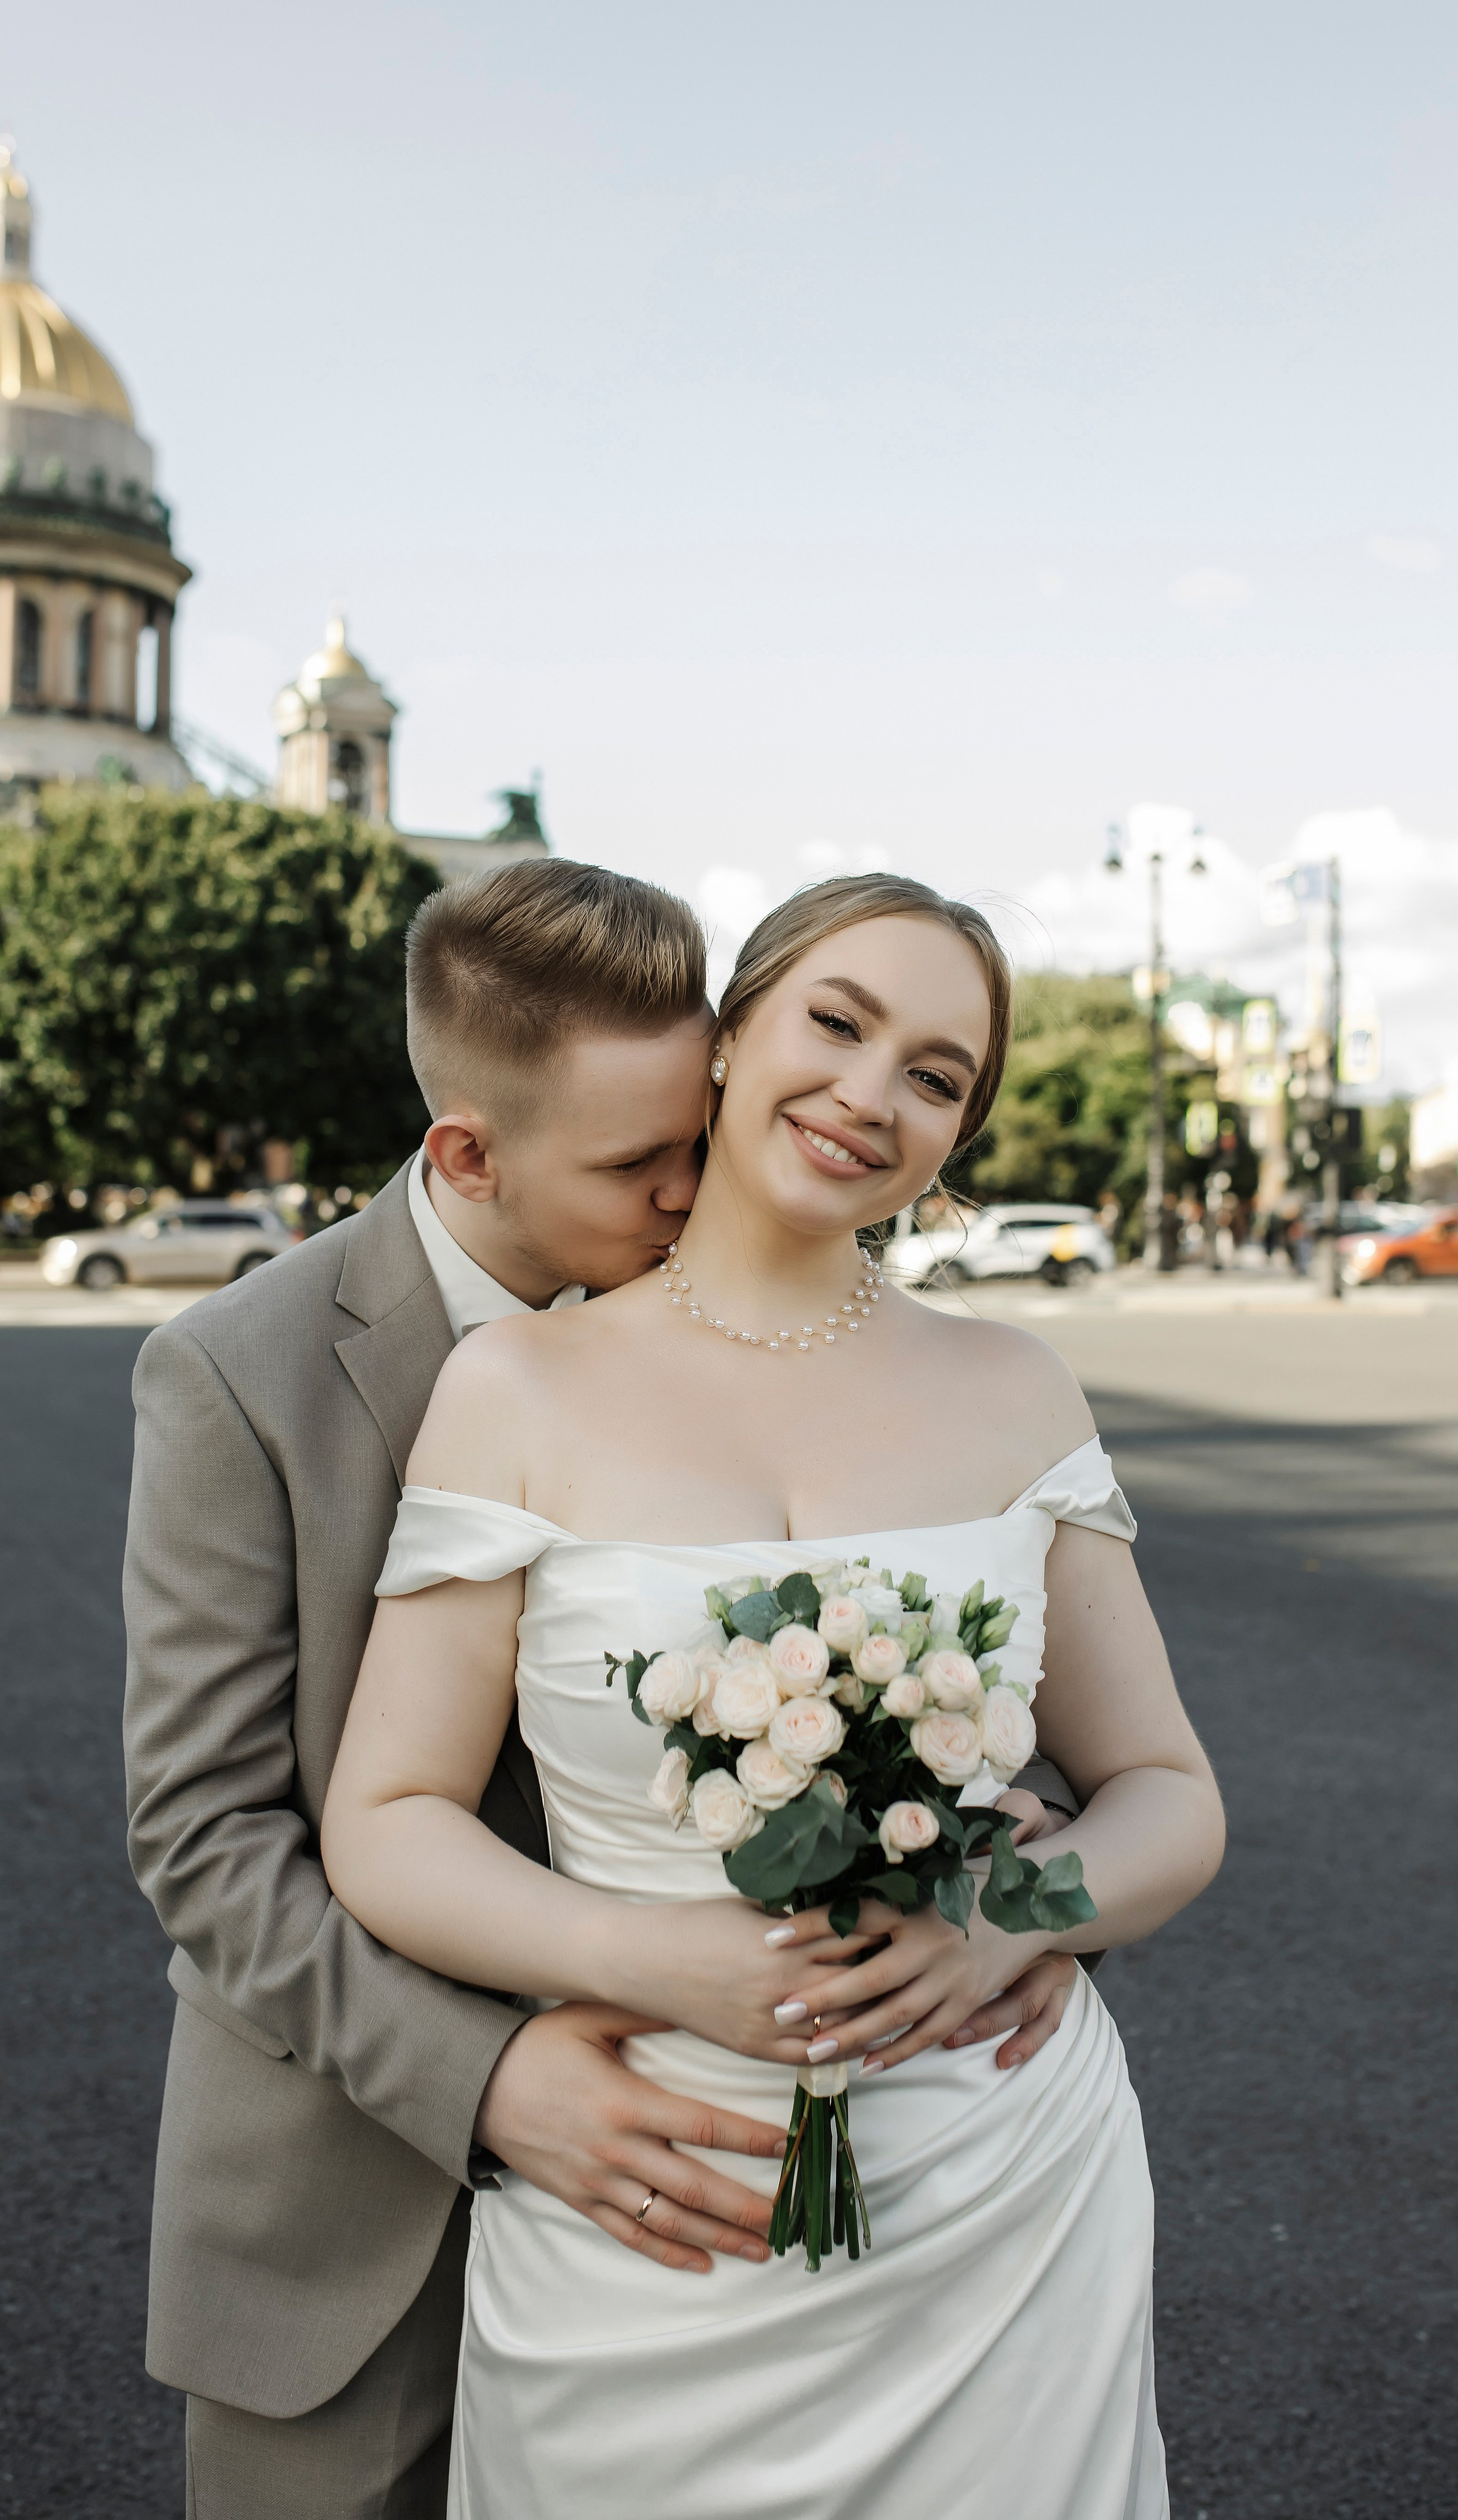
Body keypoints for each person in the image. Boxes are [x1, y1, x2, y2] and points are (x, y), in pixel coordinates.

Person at [122, 860, 1079, 2520]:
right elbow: (205, 1841)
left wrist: (1007, 1895)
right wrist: (488, 2079)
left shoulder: (801, 1341)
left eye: (693, 1134)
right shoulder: (238, 1375)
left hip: (752, 2181)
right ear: (467, 1156)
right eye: (641, 1166)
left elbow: (1007, 1694)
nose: (691, 1190)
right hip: (356, 2187)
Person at [325, 871, 1225, 2520]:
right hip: (645, 2187)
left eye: (936, 1076)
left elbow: (1168, 1793)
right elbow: (385, 1819)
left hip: (1000, 2200)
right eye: (837, 1021)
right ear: (727, 1038)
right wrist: (639, 1955)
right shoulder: (515, 1384)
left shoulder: (1016, 1387)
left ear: (954, 1137)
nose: (871, 1095)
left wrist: (1006, 1923)